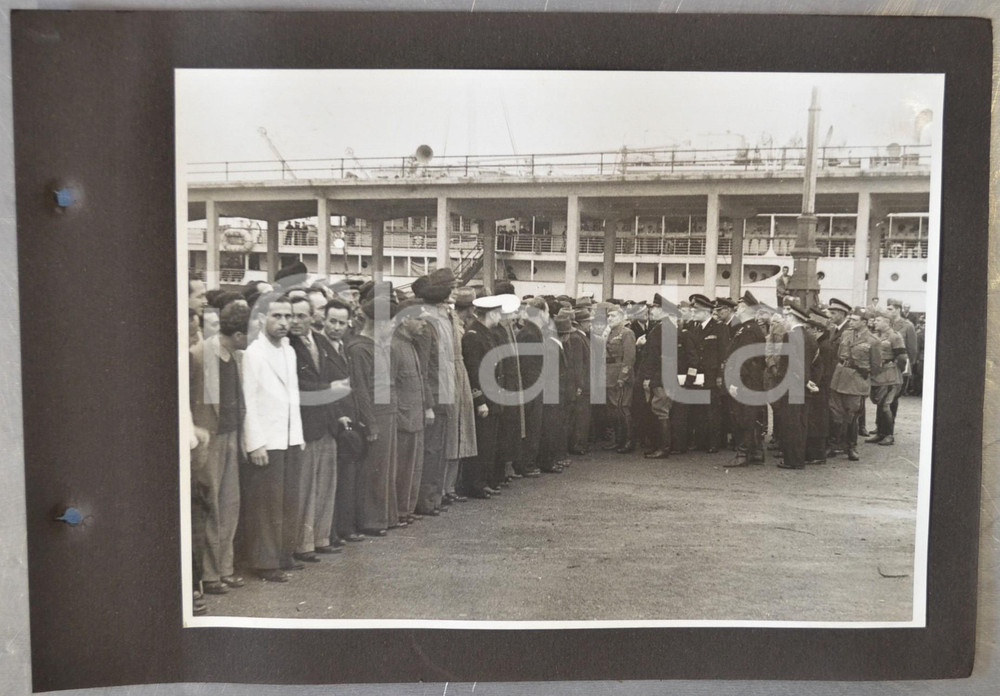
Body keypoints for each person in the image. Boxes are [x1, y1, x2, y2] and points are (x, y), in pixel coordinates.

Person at [241, 294, 305, 582]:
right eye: (277, 316)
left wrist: (298, 435)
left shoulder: (289, 351)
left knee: (288, 500)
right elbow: (248, 401)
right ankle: (265, 561)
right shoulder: (253, 354)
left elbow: (293, 398)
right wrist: (255, 442)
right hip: (267, 440)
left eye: (288, 316)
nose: (284, 322)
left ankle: (283, 554)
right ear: (261, 318)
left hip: (289, 437)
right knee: (266, 504)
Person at [190, 300, 249, 595]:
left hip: (231, 436)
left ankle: (225, 568)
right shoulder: (199, 355)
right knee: (211, 506)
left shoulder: (236, 356)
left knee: (229, 505)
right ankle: (210, 574)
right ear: (238, 335)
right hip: (209, 440)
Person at [288, 296, 352, 562]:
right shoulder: (288, 345)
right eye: (292, 315)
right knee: (306, 486)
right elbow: (297, 385)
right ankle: (303, 544)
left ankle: (321, 538)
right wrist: (328, 390)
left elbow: (329, 379)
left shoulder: (319, 341)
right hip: (305, 424)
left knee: (326, 483)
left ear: (313, 316)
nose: (295, 321)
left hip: (327, 423)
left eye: (301, 316)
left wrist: (338, 415)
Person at [348, 292, 399, 537]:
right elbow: (361, 390)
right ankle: (371, 519)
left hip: (388, 413)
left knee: (386, 468)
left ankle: (385, 516)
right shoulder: (360, 349)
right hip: (376, 415)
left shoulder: (378, 346)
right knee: (374, 470)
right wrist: (370, 423)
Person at [321, 299, 365, 544]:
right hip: (334, 421)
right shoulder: (322, 349)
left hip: (350, 419)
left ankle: (345, 527)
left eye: (341, 322)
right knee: (334, 480)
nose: (336, 327)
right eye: (332, 322)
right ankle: (333, 531)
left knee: (348, 477)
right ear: (324, 320)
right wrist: (338, 414)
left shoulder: (344, 347)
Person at [392, 299, 434, 524]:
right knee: (402, 468)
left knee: (413, 467)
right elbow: (390, 386)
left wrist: (425, 407)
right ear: (405, 320)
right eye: (419, 319)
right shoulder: (394, 347)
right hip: (404, 418)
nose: (423, 324)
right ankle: (399, 511)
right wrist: (400, 415)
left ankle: (406, 508)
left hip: (414, 415)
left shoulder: (410, 345)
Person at [461, 295, 505, 498]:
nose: (500, 317)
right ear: (491, 314)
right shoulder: (473, 336)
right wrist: (480, 400)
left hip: (493, 396)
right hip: (485, 398)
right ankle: (476, 484)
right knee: (482, 443)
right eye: (498, 313)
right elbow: (474, 370)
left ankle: (484, 481)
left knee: (489, 444)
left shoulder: (486, 334)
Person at [827, 308, 881, 462]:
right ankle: (834, 444)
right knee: (835, 413)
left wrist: (863, 375)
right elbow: (839, 354)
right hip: (839, 377)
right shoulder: (846, 334)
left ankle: (851, 446)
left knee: (851, 415)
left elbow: (876, 366)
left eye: (854, 320)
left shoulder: (873, 340)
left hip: (856, 380)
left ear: (864, 322)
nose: (850, 322)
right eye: (850, 319)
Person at [722, 291, 766, 466]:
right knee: (749, 415)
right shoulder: (747, 328)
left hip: (746, 381)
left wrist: (735, 382)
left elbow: (743, 359)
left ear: (747, 309)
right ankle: (755, 452)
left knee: (743, 417)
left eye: (740, 306)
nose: (737, 309)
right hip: (750, 380)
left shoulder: (749, 330)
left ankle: (743, 454)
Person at [774, 300, 818, 470]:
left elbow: (793, 363)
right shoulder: (810, 336)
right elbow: (813, 362)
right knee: (800, 423)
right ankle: (798, 457)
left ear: (792, 317)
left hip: (792, 384)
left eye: (786, 317)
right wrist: (808, 381)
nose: (784, 320)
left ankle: (793, 460)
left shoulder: (790, 336)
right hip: (803, 385)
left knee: (791, 423)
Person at [866, 311, 907, 446]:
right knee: (879, 404)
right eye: (875, 320)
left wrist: (896, 370)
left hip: (890, 375)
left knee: (886, 405)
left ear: (887, 322)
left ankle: (889, 435)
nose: (875, 322)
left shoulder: (895, 336)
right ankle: (880, 432)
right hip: (878, 375)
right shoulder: (877, 335)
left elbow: (902, 357)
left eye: (878, 320)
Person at [604, 305, 637, 453]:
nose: (609, 318)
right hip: (609, 374)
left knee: (623, 408)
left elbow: (629, 358)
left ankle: (629, 441)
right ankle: (618, 440)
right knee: (613, 409)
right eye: (608, 316)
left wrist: (623, 377)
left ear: (622, 317)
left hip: (620, 376)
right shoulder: (610, 333)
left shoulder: (626, 333)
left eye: (613, 316)